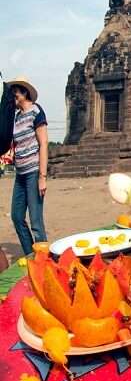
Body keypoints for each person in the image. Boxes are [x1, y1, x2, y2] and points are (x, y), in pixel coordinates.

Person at [8, 77, 49, 255]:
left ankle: (44, 262)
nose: (13, 96)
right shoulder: (16, 118)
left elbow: (44, 144)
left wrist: (42, 177)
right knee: (17, 217)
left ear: (24, 92)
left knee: (36, 223)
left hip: (33, 173)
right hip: (20, 175)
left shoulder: (36, 111)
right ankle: (31, 255)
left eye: (15, 92)